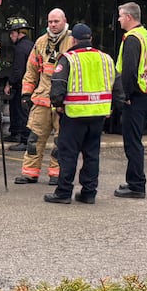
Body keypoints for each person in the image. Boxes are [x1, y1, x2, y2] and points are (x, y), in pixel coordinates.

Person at [44, 23, 115, 205]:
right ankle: (89, 193)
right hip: (98, 115)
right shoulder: (106, 58)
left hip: (74, 115)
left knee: (68, 155)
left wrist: (58, 105)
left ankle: (63, 192)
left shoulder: (68, 59)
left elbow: (57, 85)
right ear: (91, 38)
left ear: (73, 40)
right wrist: (112, 108)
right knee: (92, 155)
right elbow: (118, 86)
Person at [15, 8, 74, 186]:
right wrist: (26, 93)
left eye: (56, 21)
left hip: (64, 100)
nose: (53, 25)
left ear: (64, 21)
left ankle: (57, 174)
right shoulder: (41, 42)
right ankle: (30, 173)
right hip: (41, 99)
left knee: (60, 141)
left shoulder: (72, 41)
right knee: (34, 138)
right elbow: (31, 70)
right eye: (50, 22)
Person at [113, 1, 147, 199]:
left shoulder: (132, 39)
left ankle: (136, 186)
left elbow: (129, 71)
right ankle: (134, 181)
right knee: (135, 141)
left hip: (137, 96)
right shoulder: (146, 35)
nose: (118, 19)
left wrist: (126, 96)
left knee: (132, 143)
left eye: (120, 16)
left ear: (129, 18)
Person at [2, 16, 34, 149]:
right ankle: (15, 133)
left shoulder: (20, 48)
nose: (10, 36)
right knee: (17, 109)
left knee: (21, 112)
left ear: (20, 32)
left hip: (22, 85)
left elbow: (18, 69)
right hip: (29, 84)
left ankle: (24, 140)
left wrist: (10, 83)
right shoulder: (31, 45)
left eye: (12, 33)